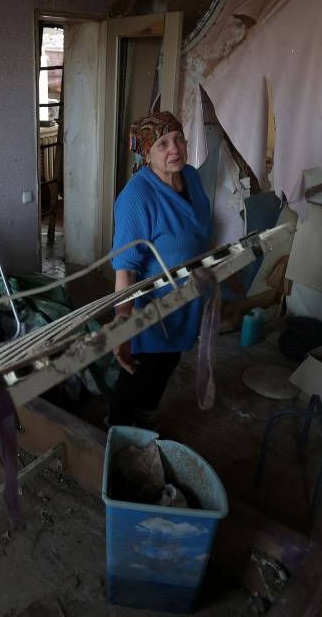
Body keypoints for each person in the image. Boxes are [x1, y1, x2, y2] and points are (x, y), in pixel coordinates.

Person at [107, 111, 212, 429]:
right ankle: (117, 431)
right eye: (163, 143)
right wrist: (122, 325)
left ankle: (147, 418)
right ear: (147, 152)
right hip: (152, 307)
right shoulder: (137, 197)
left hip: (186, 299)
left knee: (168, 363)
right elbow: (125, 269)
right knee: (139, 372)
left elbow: (198, 231)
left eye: (178, 139)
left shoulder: (191, 177)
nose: (175, 149)